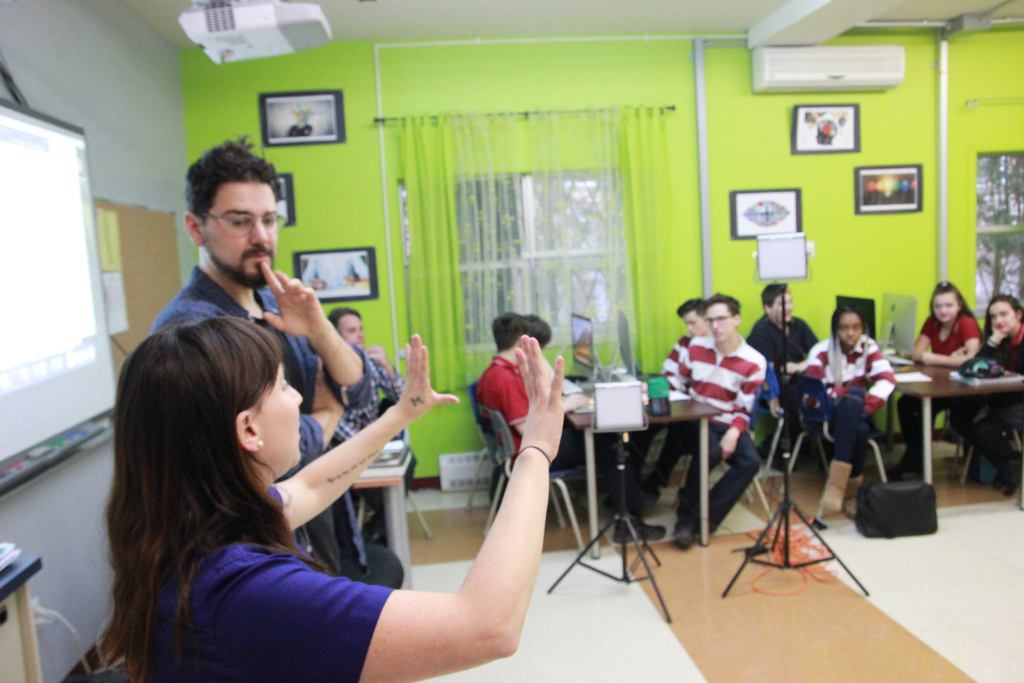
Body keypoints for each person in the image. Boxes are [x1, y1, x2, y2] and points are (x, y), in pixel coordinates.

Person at [103, 318, 566, 681]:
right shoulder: (249, 592)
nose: (299, 396)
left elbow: (310, 486)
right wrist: (536, 451)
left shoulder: (189, 530)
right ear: (248, 429)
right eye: (283, 386)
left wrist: (402, 413)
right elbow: (487, 626)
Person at [152, 138, 379, 580]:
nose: (261, 238)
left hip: (324, 526)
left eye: (269, 220)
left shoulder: (275, 302)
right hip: (260, 555)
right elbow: (253, 454)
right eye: (241, 222)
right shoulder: (192, 330)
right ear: (196, 228)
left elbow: (361, 389)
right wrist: (326, 416)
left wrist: (319, 329)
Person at [476, 312, 665, 541]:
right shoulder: (504, 378)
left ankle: (624, 503)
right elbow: (526, 428)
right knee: (610, 442)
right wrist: (565, 404)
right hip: (530, 450)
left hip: (525, 447)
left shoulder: (496, 371)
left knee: (604, 439)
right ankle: (629, 519)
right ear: (520, 343)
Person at [666, 294, 767, 550]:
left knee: (750, 461)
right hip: (695, 417)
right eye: (710, 320)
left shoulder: (754, 361)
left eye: (721, 319)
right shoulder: (696, 347)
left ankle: (706, 518)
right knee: (709, 451)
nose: (716, 326)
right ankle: (685, 520)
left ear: (736, 319)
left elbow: (743, 408)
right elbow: (678, 381)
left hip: (727, 420)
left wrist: (733, 434)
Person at [803, 306, 896, 526]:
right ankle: (851, 494)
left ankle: (837, 488)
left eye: (856, 328)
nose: (850, 333)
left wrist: (866, 406)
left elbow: (887, 379)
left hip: (856, 415)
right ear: (835, 330)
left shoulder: (868, 347)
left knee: (859, 423)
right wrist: (849, 396)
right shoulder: (821, 351)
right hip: (826, 415)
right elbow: (812, 395)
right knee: (854, 398)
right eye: (844, 328)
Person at [328, 306, 409, 552]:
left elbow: (404, 398)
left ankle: (378, 526)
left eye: (361, 329)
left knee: (409, 460)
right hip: (346, 450)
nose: (360, 335)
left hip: (374, 445)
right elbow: (335, 425)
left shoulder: (369, 363)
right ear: (335, 336)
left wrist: (388, 368)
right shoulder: (326, 368)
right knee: (374, 473)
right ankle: (381, 527)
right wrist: (368, 447)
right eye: (352, 331)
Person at [889, 282, 982, 480]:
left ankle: (913, 460)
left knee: (924, 409)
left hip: (963, 389)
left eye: (948, 305)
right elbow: (917, 353)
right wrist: (951, 359)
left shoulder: (966, 323)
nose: (943, 311)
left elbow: (970, 359)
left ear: (959, 305)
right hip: (941, 384)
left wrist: (934, 358)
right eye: (938, 306)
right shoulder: (931, 323)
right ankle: (916, 456)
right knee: (905, 404)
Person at [949, 295, 1024, 496]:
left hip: (1018, 403)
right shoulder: (1000, 340)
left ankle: (1010, 469)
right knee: (958, 416)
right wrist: (992, 341)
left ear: (1018, 314)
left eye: (1004, 314)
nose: (998, 321)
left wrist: (989, 407)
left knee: (985, 430)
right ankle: (1007, 465)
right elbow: (974, 367)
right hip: (1003, 399)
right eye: (993, 317)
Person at [635, 298, 708, 498]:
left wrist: (675, 384)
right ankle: (632, 485)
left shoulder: (714, 347)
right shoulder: (684, 343)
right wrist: (656, 388)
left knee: (677, 435)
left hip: (697, 410)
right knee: (642, 428)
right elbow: (669, 373)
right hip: (677, 402)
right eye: (687, 323)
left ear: (707, 319)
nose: (689, 328)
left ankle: (653, 485)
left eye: (693, 323)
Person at [746, 283, 818, 451]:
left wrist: (800, 366)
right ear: (767, 308)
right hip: (774, 388)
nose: (789, 308)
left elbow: (819, 353)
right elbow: (766, 370)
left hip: (799, 379)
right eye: (782, 304)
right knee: (794, 401)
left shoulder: (799, 325)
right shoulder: (761, 331)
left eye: (790, 302)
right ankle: (781, 451)